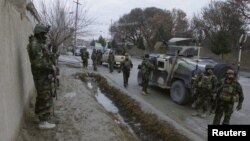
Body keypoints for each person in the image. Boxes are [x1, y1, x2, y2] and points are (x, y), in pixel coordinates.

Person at [27, 24, 56, 129]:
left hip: (43, 74)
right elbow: (37, 62)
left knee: (41, 95)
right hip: (41, 75)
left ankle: (38, 117)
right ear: (39, 33)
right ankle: (43, 122)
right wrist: (51, 66)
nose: (45, 35)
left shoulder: (39, 43)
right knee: (45, 96)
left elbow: (44, 56)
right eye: (44, 33)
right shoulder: (35, 44)